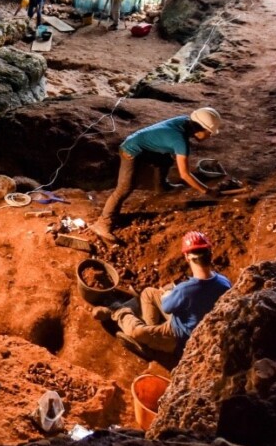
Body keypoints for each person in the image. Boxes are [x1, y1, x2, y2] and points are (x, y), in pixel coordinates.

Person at [90, 108, 222, 245]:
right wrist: (207, 191)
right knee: (125, 188)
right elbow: (185, 175)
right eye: (209, 132)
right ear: (200, 128)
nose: (210, 136)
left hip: (144, 145)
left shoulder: (184, 121)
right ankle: (103, 222)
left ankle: (161, 186)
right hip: (130, 149)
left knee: (165, 160)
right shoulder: (180, 141)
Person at [96, 231, 231, 355]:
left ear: (187, 257)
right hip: (187, 321)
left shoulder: (185, 290)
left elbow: (167, 307)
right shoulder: (224, 282)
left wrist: (167, 294)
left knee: (136, 332)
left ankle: (118, 311)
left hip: (179, 338)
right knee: (148, 293)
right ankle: (151, 332)